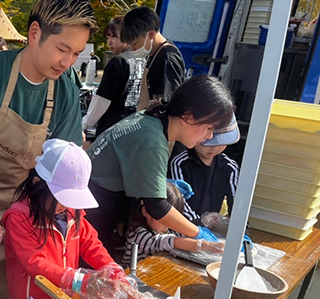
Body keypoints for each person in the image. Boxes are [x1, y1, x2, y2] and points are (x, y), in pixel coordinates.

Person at [0, 0, 97, 299]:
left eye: (75, 53)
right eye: (62, 48)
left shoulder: (65, 89)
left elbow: (64, 167)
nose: (68, 61)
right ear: (34, 33)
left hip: (21, 214)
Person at [85, 75, 234, 256]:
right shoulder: (152, 139)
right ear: (189, 116)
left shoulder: (151, 121)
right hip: (93, 206)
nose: (210, 137)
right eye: (210, 128)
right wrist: (199, 234)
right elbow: (157, 207)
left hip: (99, 200)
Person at [3, 139, 120, 299]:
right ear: (37, 184)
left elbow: (90, 243)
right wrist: (81, 281)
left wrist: (111, 269)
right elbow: (35, 264)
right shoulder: (19, 218)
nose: (66, 205)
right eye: (61, 198)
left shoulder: (71, 212)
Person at [122, 182, 224, 265]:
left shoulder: (163, 227)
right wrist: (205, 245)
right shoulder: (138, 234)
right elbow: (172, 241)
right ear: (146, 212)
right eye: (165, 220)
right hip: (137, 278)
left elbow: (180, 234)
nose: (168, 227)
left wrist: (204, 226)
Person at [168, 114, 241, 222]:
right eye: (208, 143)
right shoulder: (180, 163)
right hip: (182, 224)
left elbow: (237, 202)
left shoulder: (230, 167)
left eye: (221, 143)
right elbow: (179, 201)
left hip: (211, 224)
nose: (215, 148)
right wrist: (197, 226)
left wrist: (241, 230)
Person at [83, 16, 147, 136]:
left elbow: (102, 100)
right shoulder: (143, 60)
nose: (110, 42)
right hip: (133, 128)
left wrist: (85, 123)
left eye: (114, 36)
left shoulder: (118, 62)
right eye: (108, 37)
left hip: (111, 130)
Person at [120, 6, 185, 110]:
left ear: (150, 34)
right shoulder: (153, 53)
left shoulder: (166, 57)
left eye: (135, 44)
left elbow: (166, 103)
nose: (133, 49)